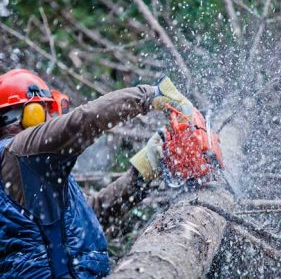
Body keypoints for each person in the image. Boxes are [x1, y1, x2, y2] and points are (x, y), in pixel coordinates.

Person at [0, 69, 192, 278]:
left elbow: (90, 217)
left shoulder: (30, 167)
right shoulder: (19, 151)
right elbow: (83, 121)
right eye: (46, 110)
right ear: (31, 114)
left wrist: (142, 173)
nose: (51, 118)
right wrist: (150, 95)